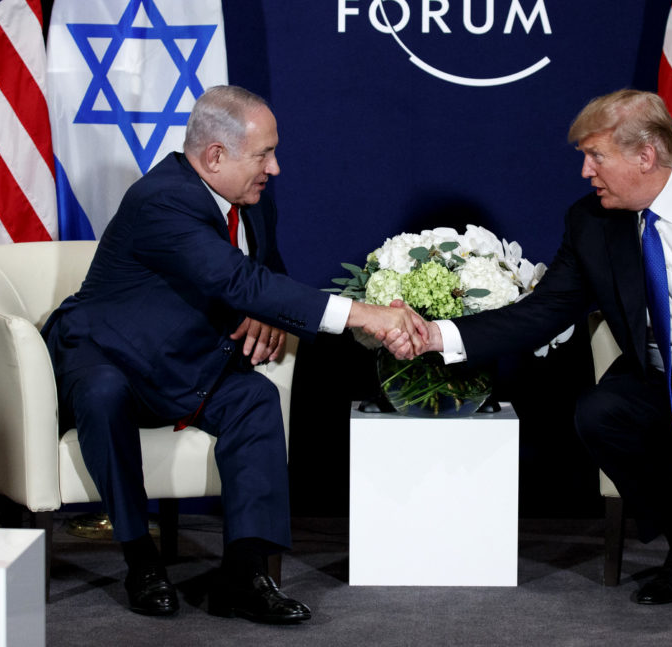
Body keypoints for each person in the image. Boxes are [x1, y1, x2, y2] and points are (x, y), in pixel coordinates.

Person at [386, 89, 672, 605]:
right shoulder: (592, 222)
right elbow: (543, 312)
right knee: (600, 413)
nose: (585, 171)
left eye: (595, 156)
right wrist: (439, 335)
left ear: (645, 155)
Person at [42, 85, 424, 621]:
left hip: (190, 362)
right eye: (264, 153)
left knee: (256, 400)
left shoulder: (249, 202)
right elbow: (236, 279)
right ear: (215, 156)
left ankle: (245, 574)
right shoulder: (162, 198)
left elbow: (265, 282)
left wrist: (267, 310)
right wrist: (368, 314)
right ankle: (140, 558)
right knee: (104, 394)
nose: (276, 167)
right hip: (110, 355)